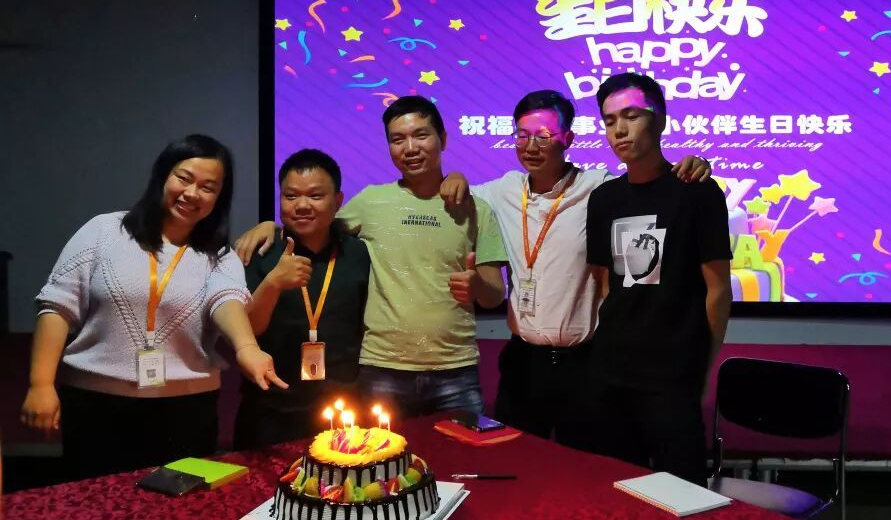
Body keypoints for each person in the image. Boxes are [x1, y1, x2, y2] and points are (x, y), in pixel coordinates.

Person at [439, 89, 712, 449]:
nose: (531, 146)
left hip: (587, 364)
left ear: (568, 139)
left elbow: (649, 180)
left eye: (543, 136)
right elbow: (455, 194)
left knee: (587, 465)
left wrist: (694, 163)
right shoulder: (501, 191)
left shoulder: (599, 189)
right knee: (514, 459)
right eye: (522, 135)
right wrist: (455, 175)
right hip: (524, 361)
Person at [19, 134, 286, 480]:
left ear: (219, 197)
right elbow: (57, 306)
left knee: (178, 510)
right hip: (95, 405)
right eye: (184, 178)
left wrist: (247, 347)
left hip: (186, 413)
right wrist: (41, 384)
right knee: (96, 506)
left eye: (208, 187)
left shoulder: (219, 255)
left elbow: (225, 299)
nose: (192, 193)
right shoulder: (103, 231)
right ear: (163, 175)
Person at [235, 97, 507, 419]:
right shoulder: (370, 202)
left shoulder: (476, 208)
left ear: (443, 139)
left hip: (456, 370)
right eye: (397, 139)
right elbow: (314, 220)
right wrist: (271, 225)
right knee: (382, 453)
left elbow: (494, 296)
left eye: (421, 135)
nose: (410, 147)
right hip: (381, 369)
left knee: (461, 452)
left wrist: (477, 286)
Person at [585, 74, 732, 485]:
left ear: (660, 119)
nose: (620, 129)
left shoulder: (698, 192)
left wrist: (702, 368)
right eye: (609, 120)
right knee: (617, 491)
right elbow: (606, 286)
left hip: (672, 378)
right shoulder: (604, 199)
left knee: (682, 495)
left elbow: (718, 290)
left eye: (631, 116)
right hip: (611, 373)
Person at [234, 149, 370, 449]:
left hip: (342, 410)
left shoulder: (358, 253)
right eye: (291, 196)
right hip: (269, 409)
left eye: (315, 196)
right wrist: (273, 283)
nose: (302, 205)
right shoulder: (259, 252)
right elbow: (247, 330)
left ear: (338, 201)